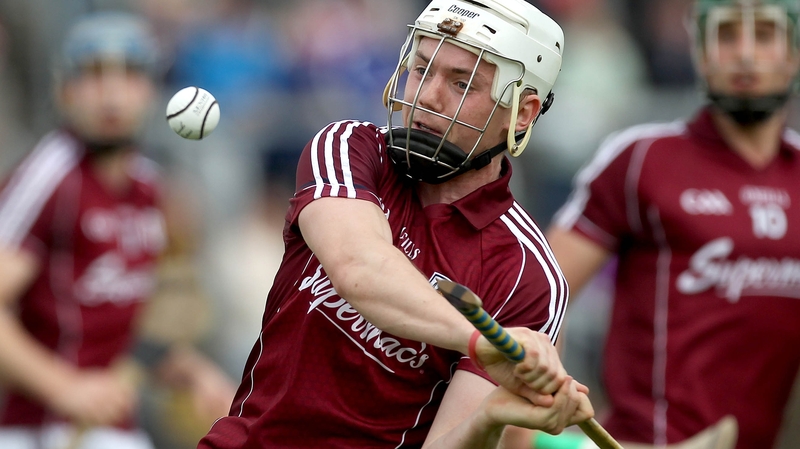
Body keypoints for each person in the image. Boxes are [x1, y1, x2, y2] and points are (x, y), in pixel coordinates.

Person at [198, 0, 594, 448]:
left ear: (522, 113)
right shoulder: (350, 147)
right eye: (422, 68)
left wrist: (489, 420)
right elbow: (360, 269)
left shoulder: (530, 277)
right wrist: (482, 341)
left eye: (462, 84)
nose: (427, 95)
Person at [545, 0, 800, 448]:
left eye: (763, 35)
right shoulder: (642, 158)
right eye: (724, 36)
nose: (743, 54)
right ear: (699, 52)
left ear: (794, 53)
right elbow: (539, 293)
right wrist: (542, 417)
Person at [0, 11, 236, 449]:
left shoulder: (150, 189)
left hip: (114, 427)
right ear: (64, 91)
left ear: (150, 91)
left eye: (128, 75)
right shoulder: (50, 175)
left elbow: (129, 331)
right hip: (39, 429)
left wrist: (193, 373)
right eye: (92, 75)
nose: (111, 94)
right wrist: (64, 388)